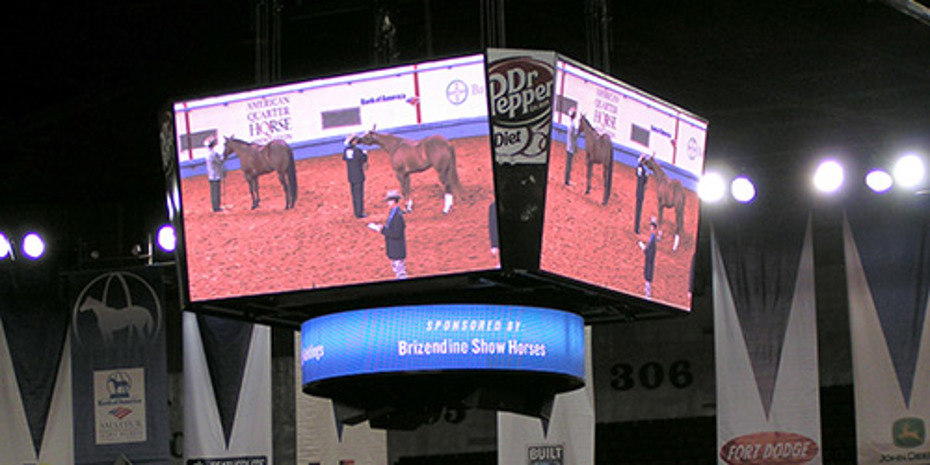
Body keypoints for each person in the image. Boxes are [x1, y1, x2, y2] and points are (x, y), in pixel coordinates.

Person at [368, 190, 407, 279]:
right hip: (395, 248)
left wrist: (382, 229)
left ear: (394, 201)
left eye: (389, 201)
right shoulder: (394, 213)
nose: (388, 203)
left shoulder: (397, 216)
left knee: (400, 273)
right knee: (397, 269)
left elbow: (396, 234)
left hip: (397, 249)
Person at [343, 134, 369, 218]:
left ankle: (356, 211)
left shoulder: (346, 150)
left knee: (354, 194)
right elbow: (362, 160)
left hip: (350, 175)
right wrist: (365, 154)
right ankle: (359, 213)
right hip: (358, 175)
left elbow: (345, 159)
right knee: (359, 195)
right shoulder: (358, 150)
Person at [638, 217, 658, 299]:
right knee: (647, 276)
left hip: (649, 261)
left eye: (651, 226)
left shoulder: (653, 239)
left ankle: (648, 294)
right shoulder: (652, 238)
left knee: (648, 277)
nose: (650, 228)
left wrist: (643, 248)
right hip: (649, 260)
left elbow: (649, 252)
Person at [205, 137, 226, 212]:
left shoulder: (208, 153)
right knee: (216, 191)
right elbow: (220, 161)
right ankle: (216, 207)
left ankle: (215, 206)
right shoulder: (213, 154)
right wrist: (223, 156)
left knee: (213, 191)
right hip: (215, 175)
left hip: (211, 175)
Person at [634, 153, 651, 233]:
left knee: (638, 210)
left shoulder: (639, 168)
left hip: (638, 191)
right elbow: (643, 180)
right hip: (640, 192)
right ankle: (636, 228)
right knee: (639, 210)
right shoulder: (642, 169)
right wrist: (646, 177)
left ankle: (636, 227)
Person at [564, 107, 580, 186]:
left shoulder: (570, 123)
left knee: (569, 164)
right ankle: (567, 181)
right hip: (570, 147)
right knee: (569, 165)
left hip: (568, 146)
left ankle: (567, 180)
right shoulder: (572, 125)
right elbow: (574, 137)